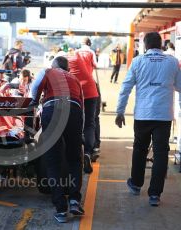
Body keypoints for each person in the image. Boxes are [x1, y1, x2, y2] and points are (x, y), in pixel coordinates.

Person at [115, 32, 181, 207]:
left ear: (145, 45)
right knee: (161, 154)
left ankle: (136, 184)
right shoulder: (173, 62)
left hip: (143, 115)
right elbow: (180, 87)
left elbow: (125, 88)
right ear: (161, 44)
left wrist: (120, 111)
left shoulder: (138, 62)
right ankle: (155, 194)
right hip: (163, 115)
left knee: (140, 149)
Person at [30, 56, 84, 223]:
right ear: (67, 68)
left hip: (53, 109)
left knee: (52, 160)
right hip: (74, 111)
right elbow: (81, 105)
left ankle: (61, 209)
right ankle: (74, 200)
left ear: (53, 65)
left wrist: (34, 100)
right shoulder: (75, 79)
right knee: (75, 158)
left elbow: (36, 86)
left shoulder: (48, 71)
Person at [66, 37, 99, 173]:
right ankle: (88, 152)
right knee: (90, 122)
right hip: (91, 89)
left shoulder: (69, 59)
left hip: (76, 92)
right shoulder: (90, 53)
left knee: (73, 122)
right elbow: (96, 66)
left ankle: (74, 152)